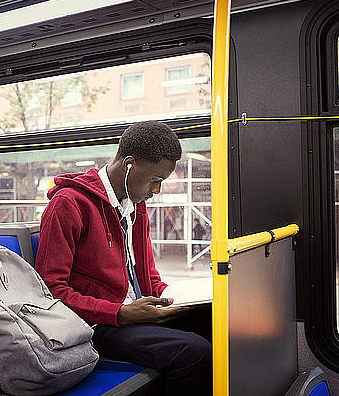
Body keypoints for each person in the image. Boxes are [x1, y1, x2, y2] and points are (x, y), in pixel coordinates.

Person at [35, 121, 211, 396]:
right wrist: (120, 313)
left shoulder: (134, 206)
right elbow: (51, 292)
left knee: (214, 323)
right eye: (155, 180)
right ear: (129, 164)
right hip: (95, 325)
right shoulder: (68, 204)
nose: (157, 191)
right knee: (195, 352)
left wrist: (169, 296)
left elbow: (147, 274)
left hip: (132, 313)